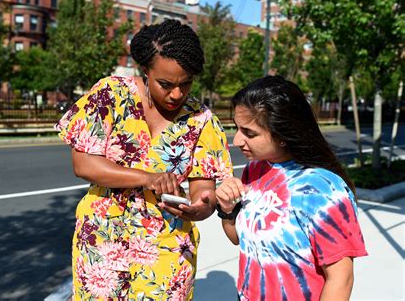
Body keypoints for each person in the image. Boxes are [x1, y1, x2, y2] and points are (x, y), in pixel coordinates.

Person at [55, 19, 233, 300]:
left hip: (167, 245)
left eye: (186, 84)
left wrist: (199, 209)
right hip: (102, 237)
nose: (177, 94)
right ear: (145, 70)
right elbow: (84, 164)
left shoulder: (202, 120)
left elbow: (204, 190)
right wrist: (148, 178)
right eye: (166, 84)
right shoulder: (110, 95)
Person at [215, 76, 368, 301]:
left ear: (282, 135)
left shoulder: (323, 189)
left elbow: (340, 279)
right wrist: (228, 210)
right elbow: (238, 239)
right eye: (237, 128)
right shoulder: (254, 170)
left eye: (249, 133)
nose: (237, 140)